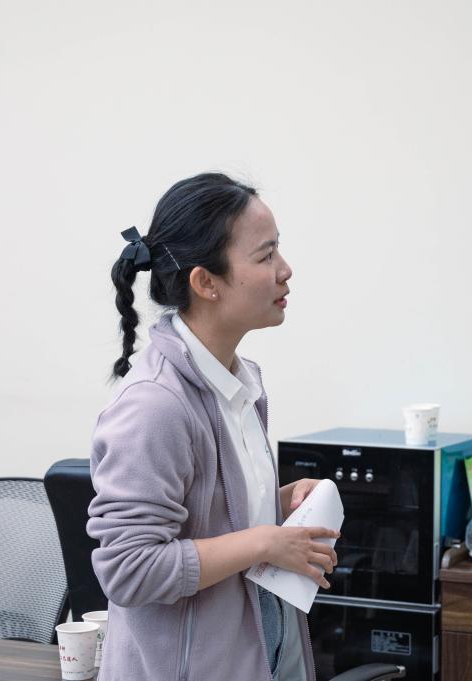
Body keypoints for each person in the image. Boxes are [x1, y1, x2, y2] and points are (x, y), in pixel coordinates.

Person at [87, 173, 339, 681]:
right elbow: (129, 570)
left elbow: (212, 523)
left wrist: (279, 503)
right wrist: (264, 542)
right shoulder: (155, 406)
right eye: (266, 256)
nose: (285, 270)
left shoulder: (240, 384)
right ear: (206, 283)